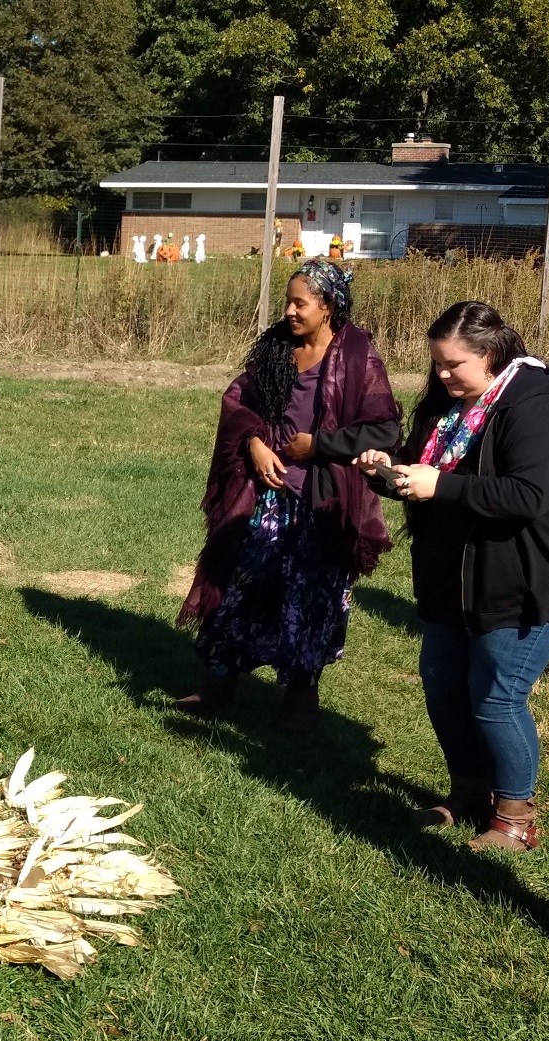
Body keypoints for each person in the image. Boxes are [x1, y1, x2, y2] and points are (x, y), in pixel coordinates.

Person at [357, 301, 549, 851]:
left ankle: (515, 817)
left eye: (454, 365)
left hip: (534, 572)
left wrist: (437, 486)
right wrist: (390, 470)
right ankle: (470, 793)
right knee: (444, 683)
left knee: (496, 693)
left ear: (491, 355)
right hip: (458, 574)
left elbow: (528, 495)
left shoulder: (541, 403)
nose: (442, 375)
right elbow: (431, 466)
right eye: (436, 364)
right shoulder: (450, 404)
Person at [177, 260, 401, 729]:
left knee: (312, 594)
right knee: (242, 582)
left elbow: (384, 427)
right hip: (266, 496)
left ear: (328, 305)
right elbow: (239, 399)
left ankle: (301, 699)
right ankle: (218, 684)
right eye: (288, 300)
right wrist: (255, 443)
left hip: (322, 501)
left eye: (300, 302)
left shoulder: (359, 357)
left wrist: (318, 445)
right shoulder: (277, 347)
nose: (290, 311)